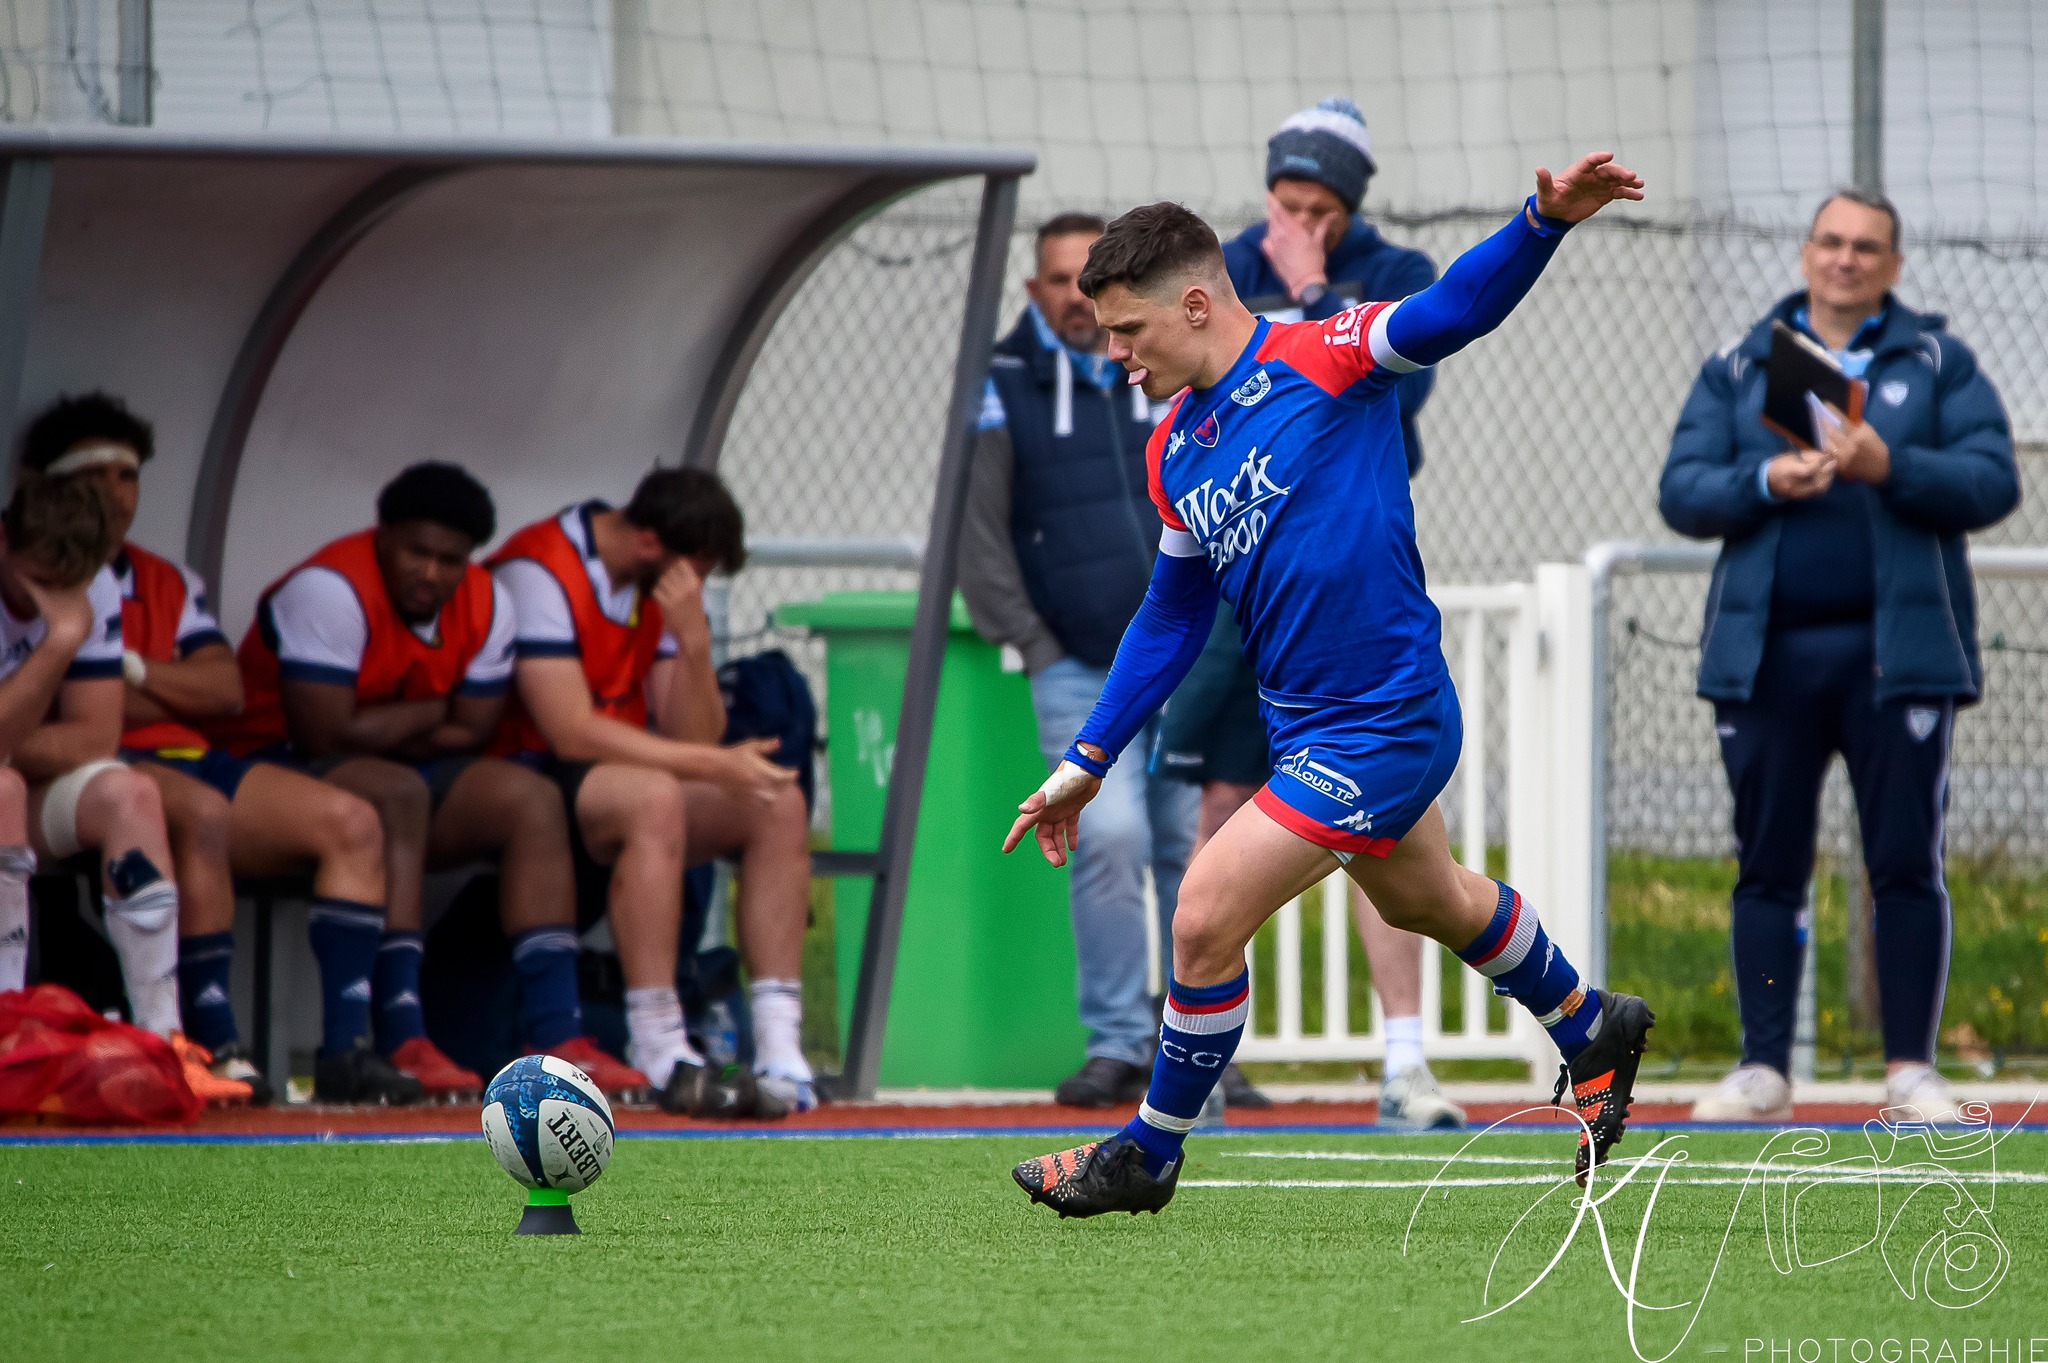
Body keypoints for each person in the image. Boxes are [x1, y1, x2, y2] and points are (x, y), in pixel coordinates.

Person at [1004, 151, 1656, 1219]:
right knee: (1429, 898)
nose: (1113, 353)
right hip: (1302, 726)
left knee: (1203, 912)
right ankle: (1589, 1023)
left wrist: (1541, 220)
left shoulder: (1332, 353)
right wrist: (1085, 760)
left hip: (1387, 719)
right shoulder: (1173, 445)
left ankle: (1148, 1154)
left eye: (1128, 331)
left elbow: (1451, 307)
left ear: (1197, 303)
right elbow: (1171, 616)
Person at [1659, 188, 2018, 1125]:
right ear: (1806, 254)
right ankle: (1763, 1069)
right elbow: (1682, 490)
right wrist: (1765, 478)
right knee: (1766, 864)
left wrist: (1886, 466)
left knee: (1905, 860)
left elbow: (1993, 478)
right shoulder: (1741, 365)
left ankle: (1910, 1071)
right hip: (1768, 656)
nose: (1847, 259)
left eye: (1868, 246)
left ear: (1894, 265)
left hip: (1900, 657)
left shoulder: (1938, 362)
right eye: (1831, 242)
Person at [1156, 94, 1465, 1129]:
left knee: (1394, 831)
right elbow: (1173, 403)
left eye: (1323, 206)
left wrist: (1308, 289)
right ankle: (1201, 1075)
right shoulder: (1209, 271)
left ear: (1352, 205)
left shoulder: (1395, 277)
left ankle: (1403, 1061)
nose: (1302, 219)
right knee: (1219, 812)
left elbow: (1386, 393)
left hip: (1346, 589)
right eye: (1289, 200)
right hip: (1245, 587)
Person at [209, 462, 646, 1100]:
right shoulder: (331, 587)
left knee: (531, 801)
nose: (432, 572)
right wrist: (429, 715)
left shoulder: (488, 598)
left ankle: (557, 1031)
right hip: (271, 767)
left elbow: (474, 729)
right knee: (397, 792)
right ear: (382, 535)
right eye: (417, 551)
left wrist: (383, 724)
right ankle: (399, 1031)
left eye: (450, 559)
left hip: (398, 772)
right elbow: (323, 734)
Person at [959, 210, 1230, 1109]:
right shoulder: (1000, 379)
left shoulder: (1156, 363)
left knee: (1189, 852)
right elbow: (976, 531)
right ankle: (1118, 1039)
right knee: (1107, 838)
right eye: (1060, 279)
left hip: (1180, 656)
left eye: (1096, 283)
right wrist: (1033, 641)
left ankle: (1195, 1041)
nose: (1084, 306)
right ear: (1038, 289)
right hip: (1076, 660)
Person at [489, 470, 813, 1119]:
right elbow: (571, 730)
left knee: (778, 801)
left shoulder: (656, 587)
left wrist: (693, 638)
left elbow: (692, 728)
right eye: (693, 572)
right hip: (526, 772)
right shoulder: (541, 568)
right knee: (658, 795)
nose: (695, 587)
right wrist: (711, 762)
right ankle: (659, 1038)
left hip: (622, 772)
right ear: (648, 545)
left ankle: (780, 1047)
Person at [0, 469, 245, 1103]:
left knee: (128, 793)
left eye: (67, 586)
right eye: (36, 579)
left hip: (22, 779)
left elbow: (94, 735)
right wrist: (59, 643)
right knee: (0, 788)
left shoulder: (94, 581)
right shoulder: (56, 612)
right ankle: (7, 1034)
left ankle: (165, 1043)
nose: (52, 595)